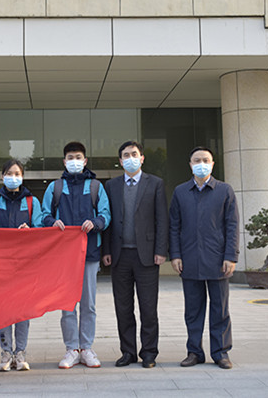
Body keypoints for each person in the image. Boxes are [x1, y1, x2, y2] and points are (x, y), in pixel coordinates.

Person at [41, 141, 111, 369]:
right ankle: (71, 348)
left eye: (78, 157)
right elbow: (42, 215)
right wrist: (52, 222)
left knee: (89, 304)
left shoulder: (96, 187)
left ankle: (86, 348)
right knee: (67, 305)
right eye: (70, 158)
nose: (74, 161)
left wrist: (96, 223)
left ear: (85, 160)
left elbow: (105, 214)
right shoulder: (55, 187)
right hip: (64, 255)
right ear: (64, 161)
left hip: (89, 253)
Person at [169, 147, 239, 370]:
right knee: (193, 311)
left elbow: (232, 226)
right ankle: (194, 352)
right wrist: (175, 255)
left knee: (220, 310)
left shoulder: (224, 191)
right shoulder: (180, 192)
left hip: (218, 260)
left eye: (205, 160)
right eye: (197, 160)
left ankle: (221, 352)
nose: (201, 164)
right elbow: (174, 226)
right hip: (189, 259)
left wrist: (231, 256)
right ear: (190, 165)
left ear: (213, 163)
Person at [102, 141, 168, 369]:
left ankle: (149, 352)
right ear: (120, 161)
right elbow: (108, 220)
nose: (130, 158)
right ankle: (128, 352)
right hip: (119, 256)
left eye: (134, 154)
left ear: (142, 158)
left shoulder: (155, 183)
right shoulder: (111, 185)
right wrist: (106, 250)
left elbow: (162, 219)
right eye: (126, 155)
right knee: (123, 308)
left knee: (148, 308)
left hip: (147, 256)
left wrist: (161, 250)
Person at [0, 159, 43, 372]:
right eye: (9, 173)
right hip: (0, 264)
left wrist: (31, 230)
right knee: (3, 309)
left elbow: (40, 228)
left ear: (22, 177)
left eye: (17, 174)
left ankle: (20, 352)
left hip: (25, 264)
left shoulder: (32, 202)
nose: (13, 177)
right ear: (2, 176)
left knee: (22, 310)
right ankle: (6, 352)